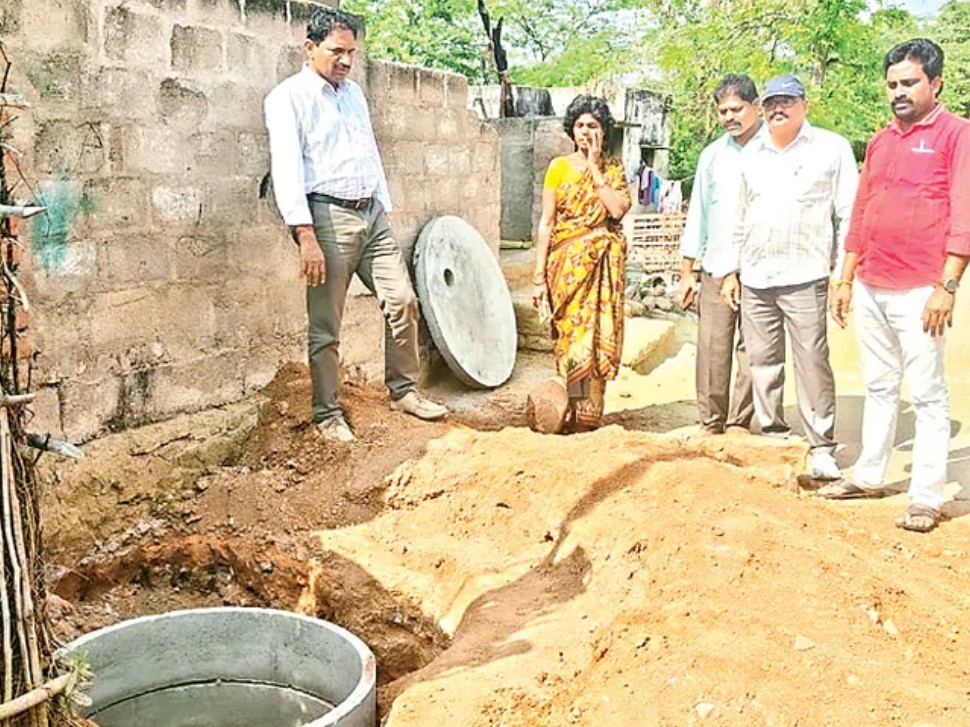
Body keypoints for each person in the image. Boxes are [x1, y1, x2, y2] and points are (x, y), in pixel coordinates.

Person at [264, 7, 447, 443]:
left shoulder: (353, 94)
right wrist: (305, 235)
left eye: (352, 53)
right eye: (337, 52)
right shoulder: (288, 98)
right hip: (326, 218)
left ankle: (403, 391)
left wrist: (381, 205)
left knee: (402, 300)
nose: (346, 61)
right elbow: (287, 169)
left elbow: (368, 152)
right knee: (327, 325)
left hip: (371, 215)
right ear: (309, 48)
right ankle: (327, 414)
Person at [819, 39, 970, 532]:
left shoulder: (957, 135)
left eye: (909, 83)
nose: (899, 92)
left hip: (921, 289)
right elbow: (861, 211)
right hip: (871, 283)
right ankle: (868, 475)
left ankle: (926, 496)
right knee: (880, 385)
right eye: (892, 84)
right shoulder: (881, 141)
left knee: (927, 394)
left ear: (935, 83)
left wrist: (947, 286)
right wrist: (846, 276)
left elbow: (965, 214)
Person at [721, 74, 858, 480]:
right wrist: (731, 271)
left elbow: (850, 214)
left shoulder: (831, 149)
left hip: (807, 275)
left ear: (805, 105)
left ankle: (822, 447)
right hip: (757, 276)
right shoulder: (751, 154)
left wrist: (841, 275)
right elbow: (736, 218)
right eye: (770, 103)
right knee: (762, 362)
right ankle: (774, 436)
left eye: (787, 101)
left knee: (812, 362)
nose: (777, 109)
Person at [528, 95, 631, 432]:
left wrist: (594, 167)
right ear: (571, 130)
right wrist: (538, 278)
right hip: (566, 268)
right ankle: (568, 408)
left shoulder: (613, 169)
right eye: (580, 125)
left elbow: (616, 210)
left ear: (604, 131)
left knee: (596, 336)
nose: (586, 131)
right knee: (572, 337)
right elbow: (547, 222)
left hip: (602, 268)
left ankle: (588, 416)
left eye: (593, 125)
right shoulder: (558, 167)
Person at [678, 74, 761, 436]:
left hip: (760, 270)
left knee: (754, 350)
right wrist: (687, 271)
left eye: (737, 109)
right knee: (712, 348)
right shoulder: (712, 155)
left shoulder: (774, 151)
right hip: (716, 266)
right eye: (723, 111)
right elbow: (698, 213)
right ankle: (711, 423)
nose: (729, 117)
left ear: (756, 107)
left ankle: (739, 422)